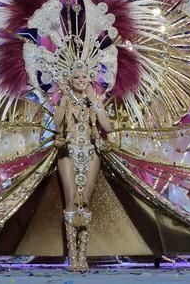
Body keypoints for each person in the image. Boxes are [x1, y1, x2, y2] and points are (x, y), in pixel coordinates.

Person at [54, 66, 112, 272]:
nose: (80, 80)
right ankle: (72, 258)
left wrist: (96, 104)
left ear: (89, 79)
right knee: (71, 201)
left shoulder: (94, 100)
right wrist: (62, 97)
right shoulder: (66, 100)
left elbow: (107, 127)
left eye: (84, 77)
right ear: (69, 80)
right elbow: (56, 123)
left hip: (90, 153)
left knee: (84, 203)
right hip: (68, 153)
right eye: (76, 77)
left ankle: (83, 256)